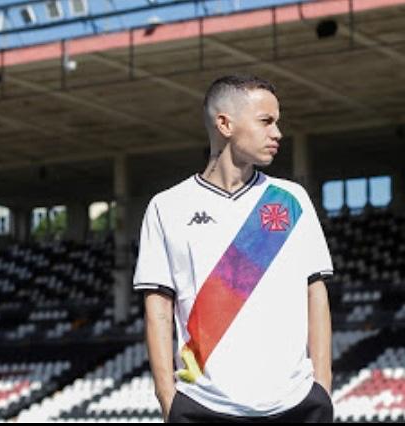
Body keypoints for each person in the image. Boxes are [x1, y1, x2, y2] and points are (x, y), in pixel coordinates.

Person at [133, 75, 334, 423]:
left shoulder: (291, 200)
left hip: (296, 406)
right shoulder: (167, 207)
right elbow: (159, 310)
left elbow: (315, 294)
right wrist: (168, 399)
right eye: (265, 121)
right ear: (225, 124)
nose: (277, 133)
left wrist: (323, 387)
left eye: (277, 122)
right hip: (202, 407)